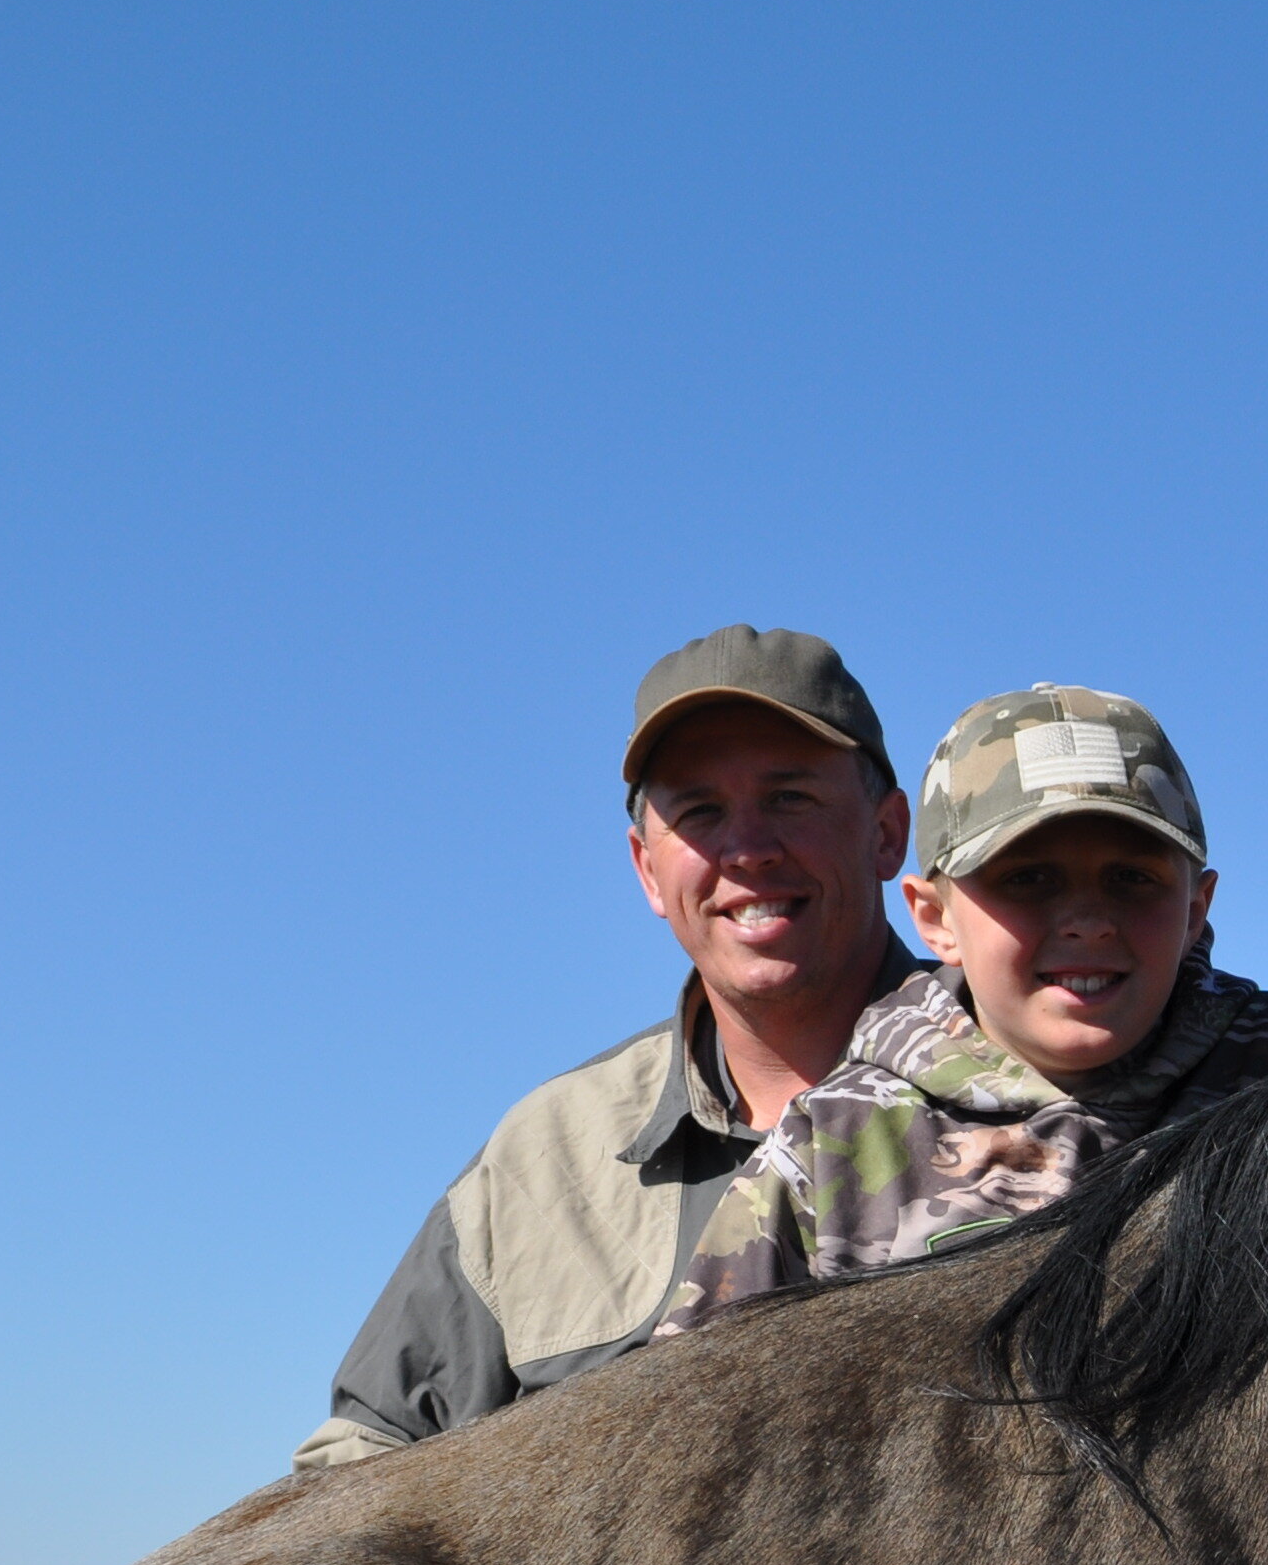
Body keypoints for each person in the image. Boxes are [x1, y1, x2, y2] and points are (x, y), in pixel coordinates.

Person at [292, 624, 916, 1471]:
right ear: (647, 871)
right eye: (700, 813)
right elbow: (358, 1465)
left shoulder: (1035, 1097)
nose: (748, 850)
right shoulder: (547, 1156)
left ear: (887, 833)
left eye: (790, 798)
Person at [652, 682, 1268, 1331]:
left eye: (1133, 878)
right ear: (934, 917)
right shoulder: (834, 1141)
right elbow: (689, 1420)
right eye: (1027, 878)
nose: (1089, 922)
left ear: (1195, 909)